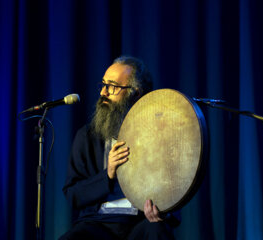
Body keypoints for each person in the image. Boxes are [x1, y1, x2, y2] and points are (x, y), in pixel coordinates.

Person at [59, 56, 179, 240]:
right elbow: (73, 195)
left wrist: (163, 212)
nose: (103, 93)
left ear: (135, 93)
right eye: (103, 85)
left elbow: (175, 189)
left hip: (140, 222)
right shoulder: (87, 136)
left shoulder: (159, 135)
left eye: (112, 87)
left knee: (158, 231)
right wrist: (108, 174)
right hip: (97, 224)